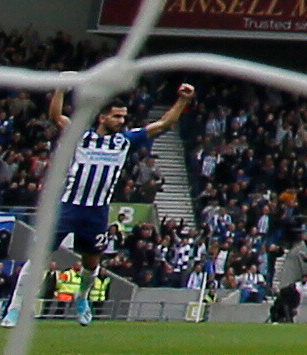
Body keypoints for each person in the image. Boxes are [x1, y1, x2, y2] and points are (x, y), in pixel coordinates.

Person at [28, 78, 193, 326]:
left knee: (91, 262)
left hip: (97, 212)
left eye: (123, 117)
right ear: (103, 117)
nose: (121, 121)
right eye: (117, 116)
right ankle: (16, 307)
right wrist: (61, 88)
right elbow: (56, 117)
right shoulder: (82, 136)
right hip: (69, 207)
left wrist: (183, 100)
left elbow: (165, 123)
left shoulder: (124, 141)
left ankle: (82, 298)